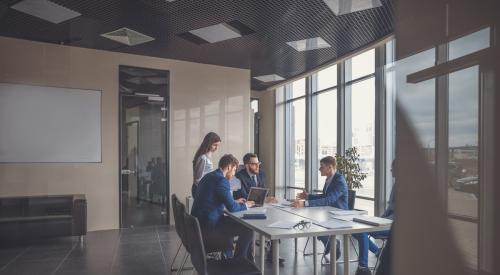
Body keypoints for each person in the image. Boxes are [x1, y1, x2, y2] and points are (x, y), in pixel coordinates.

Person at [191, 154, 255, 260]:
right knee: (248, 228)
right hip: (209, 226)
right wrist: (246, 205)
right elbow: (233, 208)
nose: (234, 174)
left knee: (231, 221)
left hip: (198, 223)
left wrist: (234, 201)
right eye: (234, 170)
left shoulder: (210, 176)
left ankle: (228, 257)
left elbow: (215, 198)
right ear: (229, 167)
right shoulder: (221, 180)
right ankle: (239, 261)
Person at [291, 156, 348, 260]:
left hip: (339, 215)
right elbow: (324, 196)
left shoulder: (339, 180)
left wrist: (305, 204)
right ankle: (332, 243)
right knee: (314, 225)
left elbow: (329, 199)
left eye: (322, 166)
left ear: (330, 167)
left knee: (316, 227)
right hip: (328, 212)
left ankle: (333, 243)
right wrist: (308, 196)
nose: (319, 169)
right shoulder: (329, 179)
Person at [351, 161, 397, 275]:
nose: (391, 171)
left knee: (361, 232)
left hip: (394, 226)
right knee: (355, 231)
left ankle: (363, 267)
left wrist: (384, 221)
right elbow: (390, 208)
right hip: (386, 221)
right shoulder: (397, 184)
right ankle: (378, 252)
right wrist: (380, 219)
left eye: (393, 168)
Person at [192, 132, 221, 196]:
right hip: (199, 189)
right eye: (215, 145)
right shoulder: (203, 158)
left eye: (218, 145)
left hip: (203, 188)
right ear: (208, 143)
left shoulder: (208, 156)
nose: (216, 148)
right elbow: (198, 180)